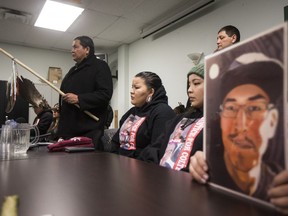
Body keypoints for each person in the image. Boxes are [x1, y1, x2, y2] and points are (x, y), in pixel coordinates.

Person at [189, 52, 286, 211]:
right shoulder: (211, 169)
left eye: (254, 109)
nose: (240, 125)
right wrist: (198, 169)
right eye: (231, 108)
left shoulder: (278, 180)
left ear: (272, 120)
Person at [57, 36, 113, 149]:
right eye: (72, 48)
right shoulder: (73, 70)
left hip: (88, 131)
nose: (72, 50)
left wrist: (79, 99)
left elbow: (105, 94)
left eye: (75, 47)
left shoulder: (100, 66)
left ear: (87, 49)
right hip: (68, 131)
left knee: (87, 166)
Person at [110, 71, 175, 162]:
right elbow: (116, 141)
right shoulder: (132, 112)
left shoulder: (163, 112)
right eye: (132, 87)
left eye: (136, 87)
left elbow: (156, 150)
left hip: (144, 168)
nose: (131, 91)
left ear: (151, 91)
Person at [158, 63, 204, 171]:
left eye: (196, 83)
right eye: (189, 84)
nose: (189, 90)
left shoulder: (219, 123)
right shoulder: (178, 119)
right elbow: (157, 149)